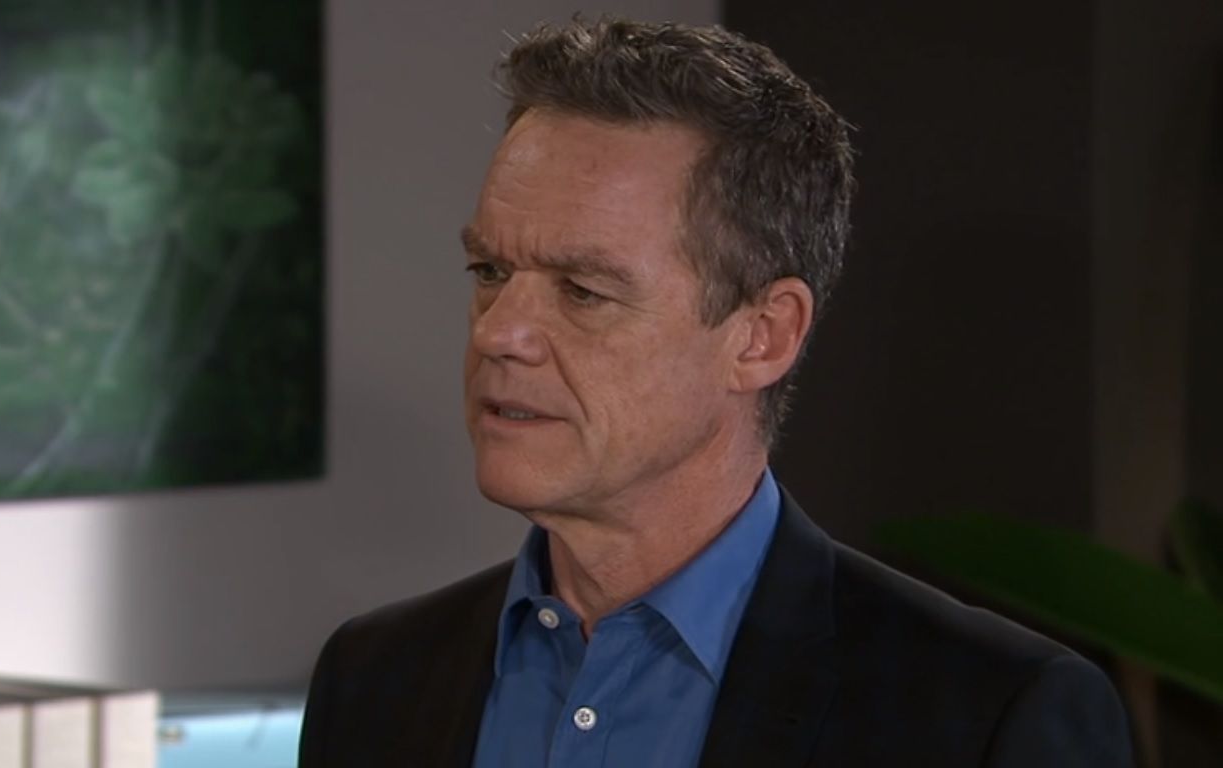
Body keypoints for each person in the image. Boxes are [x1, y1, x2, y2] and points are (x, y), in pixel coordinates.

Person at [299, 16, 1134, 767]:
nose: (499, 333)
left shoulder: (986, 716)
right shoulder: (372, 680)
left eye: (582, 290)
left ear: (762, 335)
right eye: (490, 271)